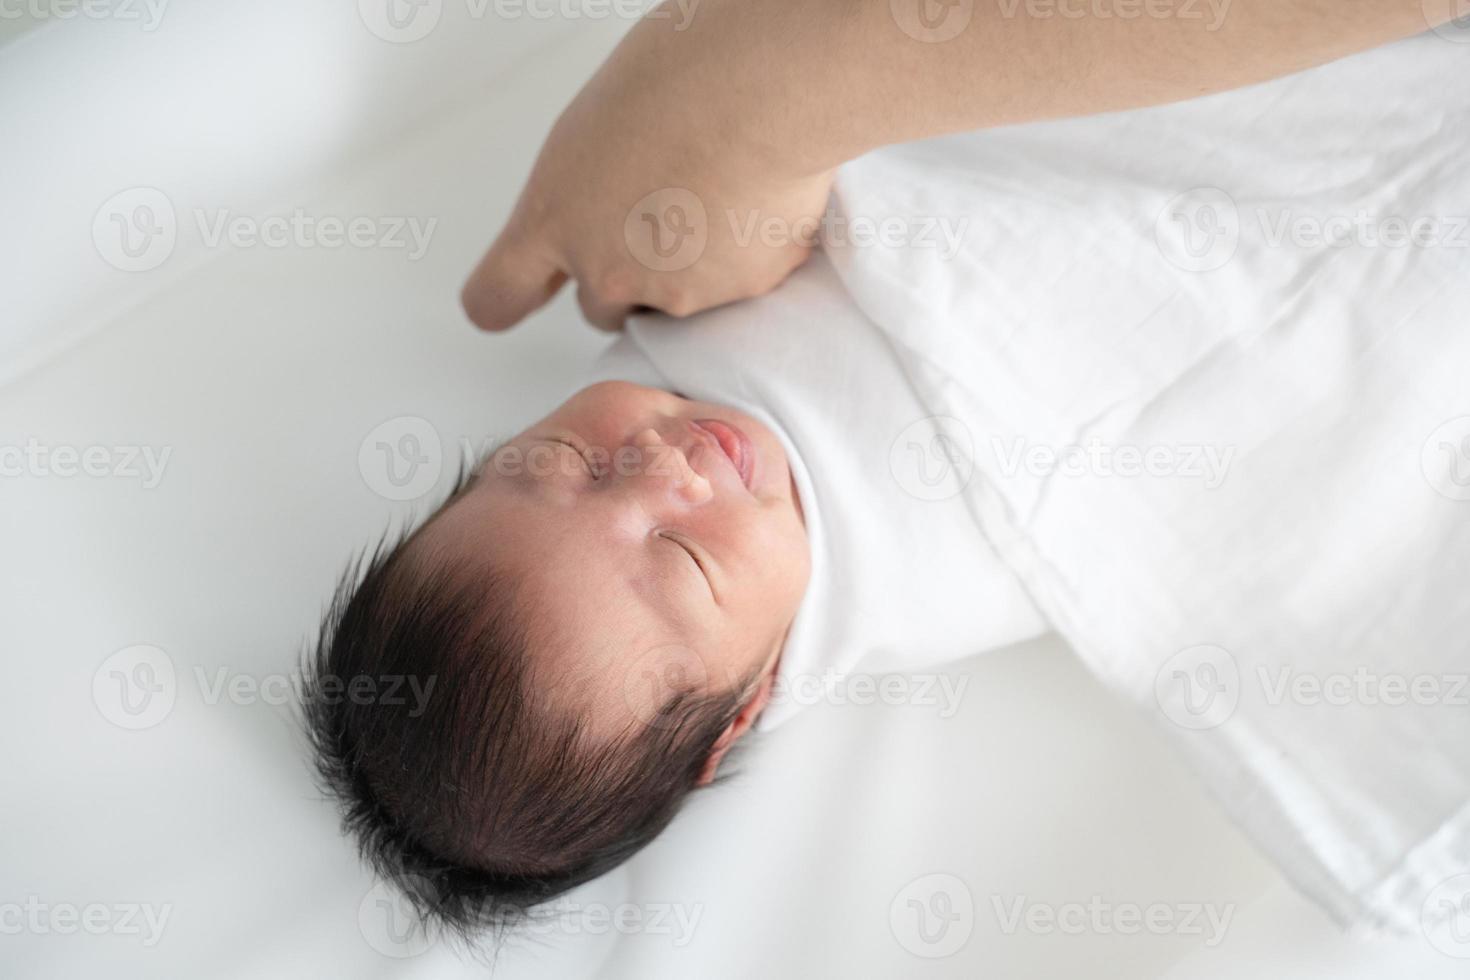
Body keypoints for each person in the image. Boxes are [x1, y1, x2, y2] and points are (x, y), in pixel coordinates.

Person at [306, 0, 1453, 938]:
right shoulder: (906, 573)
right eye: (684, 559)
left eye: (563, 462)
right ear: (742, 708)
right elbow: (1139, 503)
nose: (666, 469)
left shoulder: (660, 270)